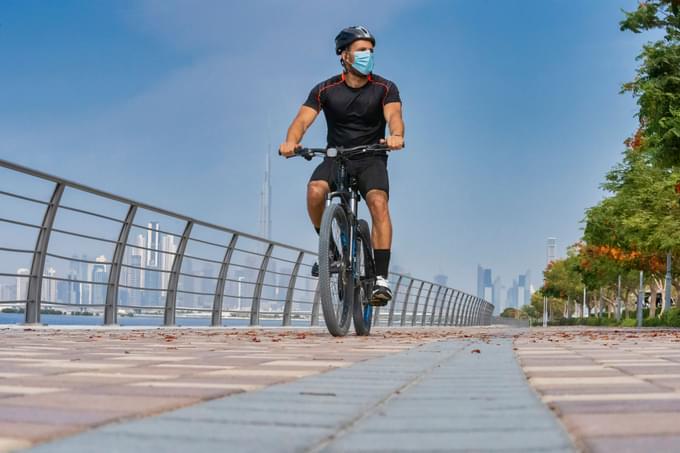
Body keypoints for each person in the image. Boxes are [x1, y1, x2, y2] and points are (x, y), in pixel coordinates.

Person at [279, 26, 404, 305]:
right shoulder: (326, 89)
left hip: (372, 156)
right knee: (314, 191)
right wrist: (290, 142)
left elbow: (394, 116)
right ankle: (330, 249)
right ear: (345, 56)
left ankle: (381, 279)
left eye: (370, 51)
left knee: (378, 204)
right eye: (361, 51)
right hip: (337, 157)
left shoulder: (385, 87)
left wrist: (396, 136)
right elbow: (302, 121)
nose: (367, 55)